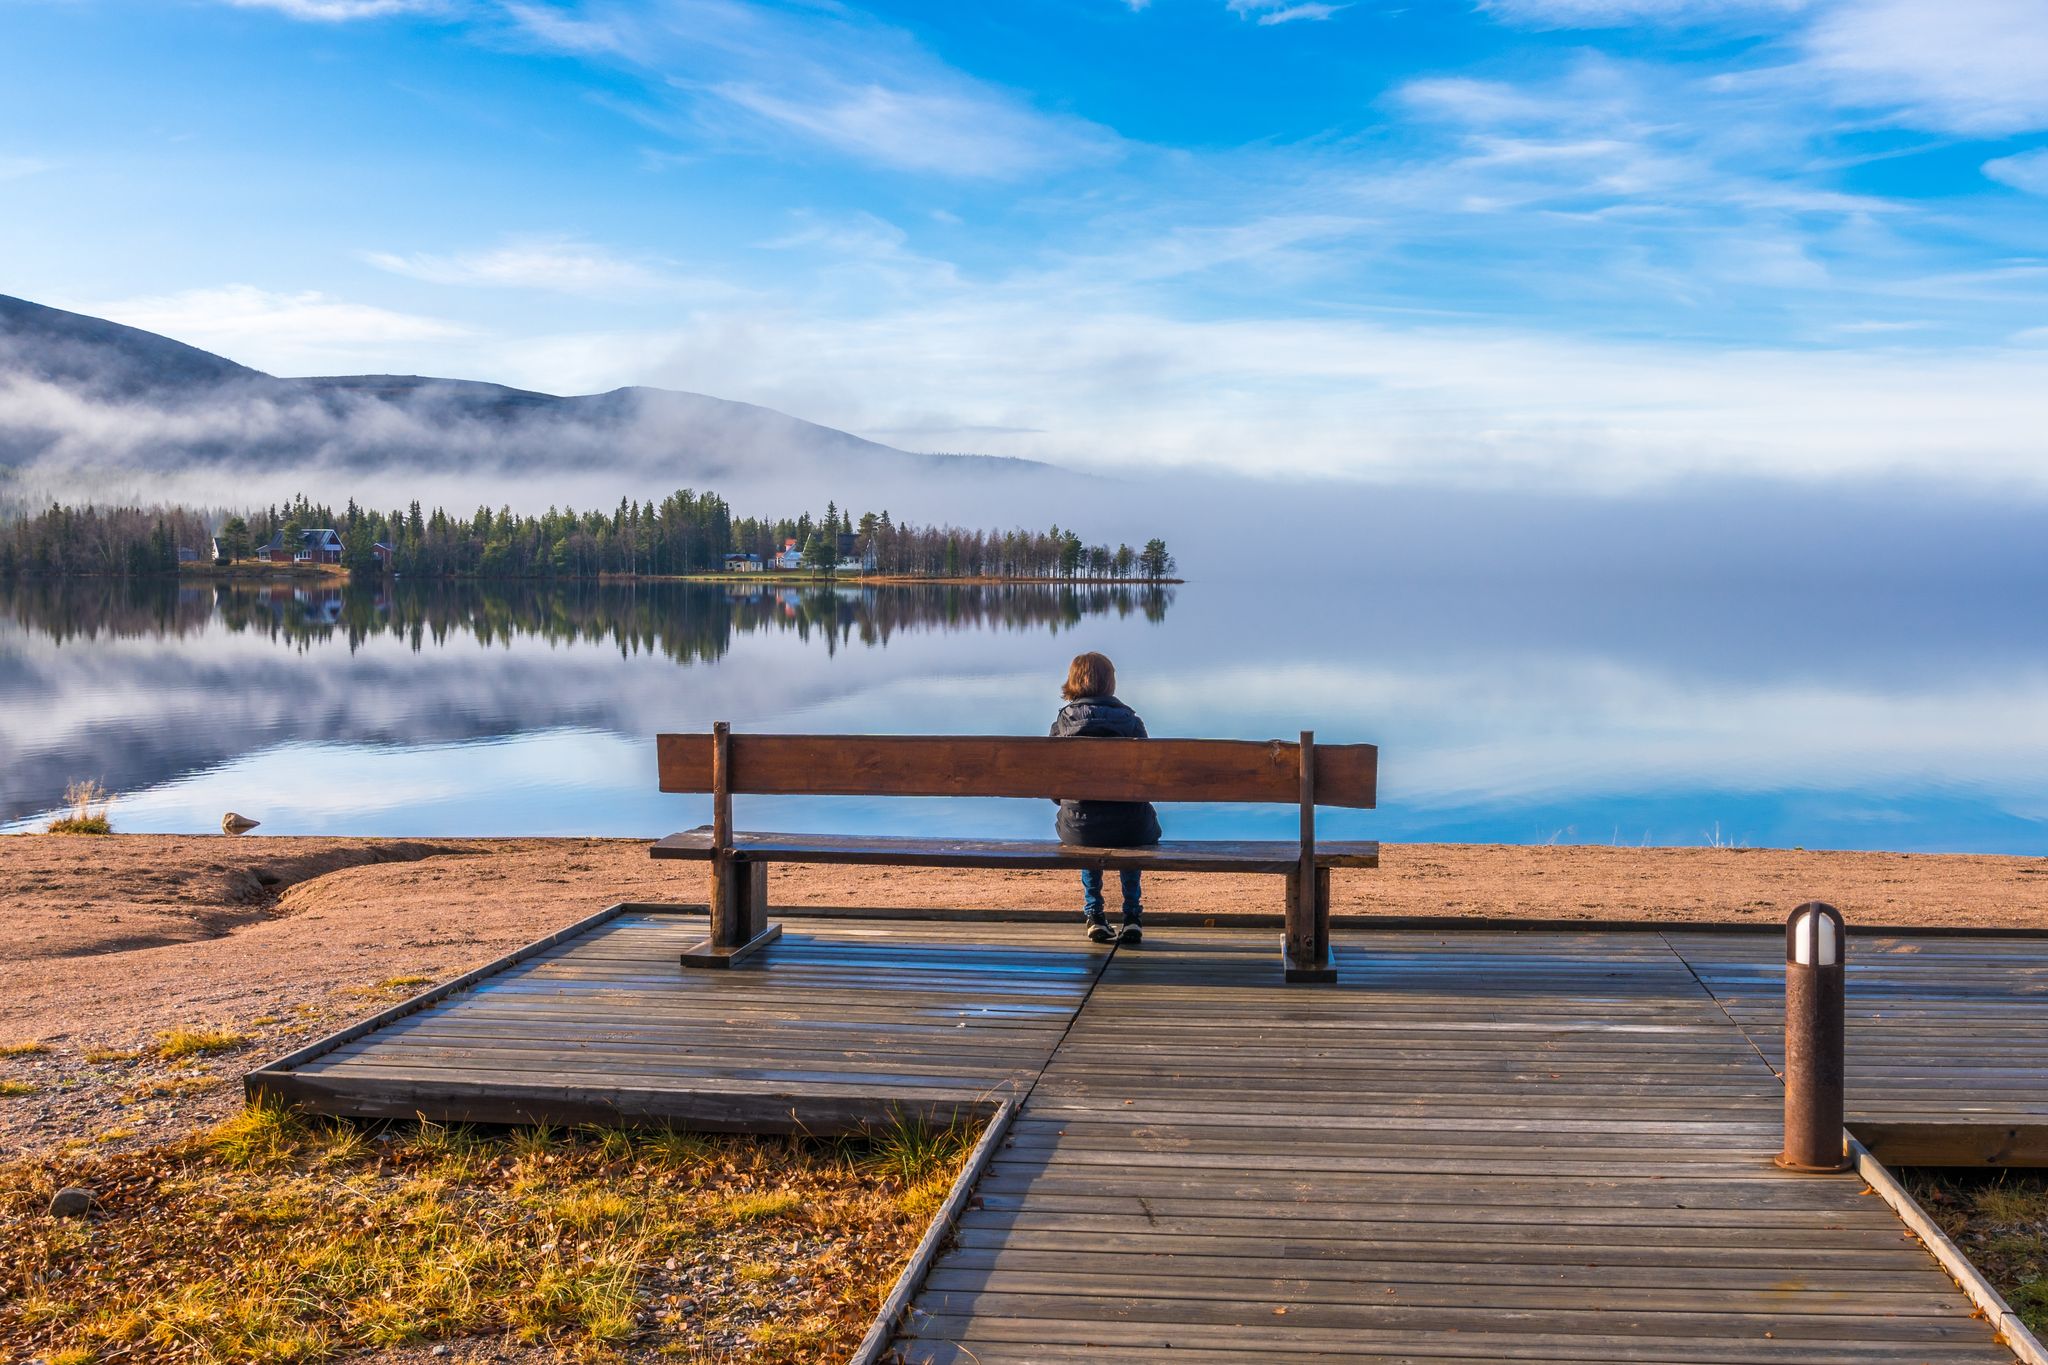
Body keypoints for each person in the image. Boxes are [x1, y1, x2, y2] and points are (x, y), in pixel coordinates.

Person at [1050, 651, 1161, 944]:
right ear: (1110, 682)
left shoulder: (1062, 724)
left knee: (1085, 822)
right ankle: (1132, 917)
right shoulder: (1131, 723)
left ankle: (1095, 914)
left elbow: (1053, 788)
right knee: (1131, 824)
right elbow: (1148, 781)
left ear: (1074, 682)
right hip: (1129, 826)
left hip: (1080, 828)